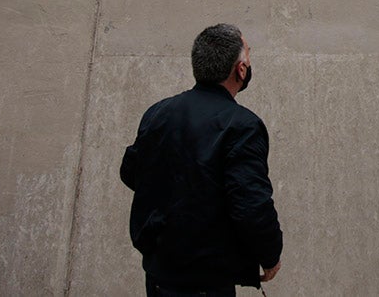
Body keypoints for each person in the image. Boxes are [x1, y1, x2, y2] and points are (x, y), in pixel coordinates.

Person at [121, 24, 282, 297]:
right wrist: (270, 256)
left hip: (160, 276)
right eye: (249, 56)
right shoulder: (242, 125)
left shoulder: (159, 112)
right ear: (240, 69)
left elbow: (131, 172)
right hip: (207, 282)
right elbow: (251, 204)